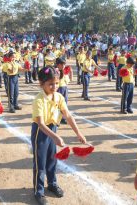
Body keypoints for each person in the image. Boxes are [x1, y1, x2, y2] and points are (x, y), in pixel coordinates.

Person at [31, 66, 86, 205]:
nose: (54, 86)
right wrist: (54, 137)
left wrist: (78, 132)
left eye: (56, 83)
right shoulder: (39, 99)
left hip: (53, 128)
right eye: (50, 83)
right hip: (40, 132)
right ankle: (39, 191)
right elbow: (40, 123)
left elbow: (67, 115)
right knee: (40, 162)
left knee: (52, 159)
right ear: (41, 84)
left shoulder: (59, 96)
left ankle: (52, 183)